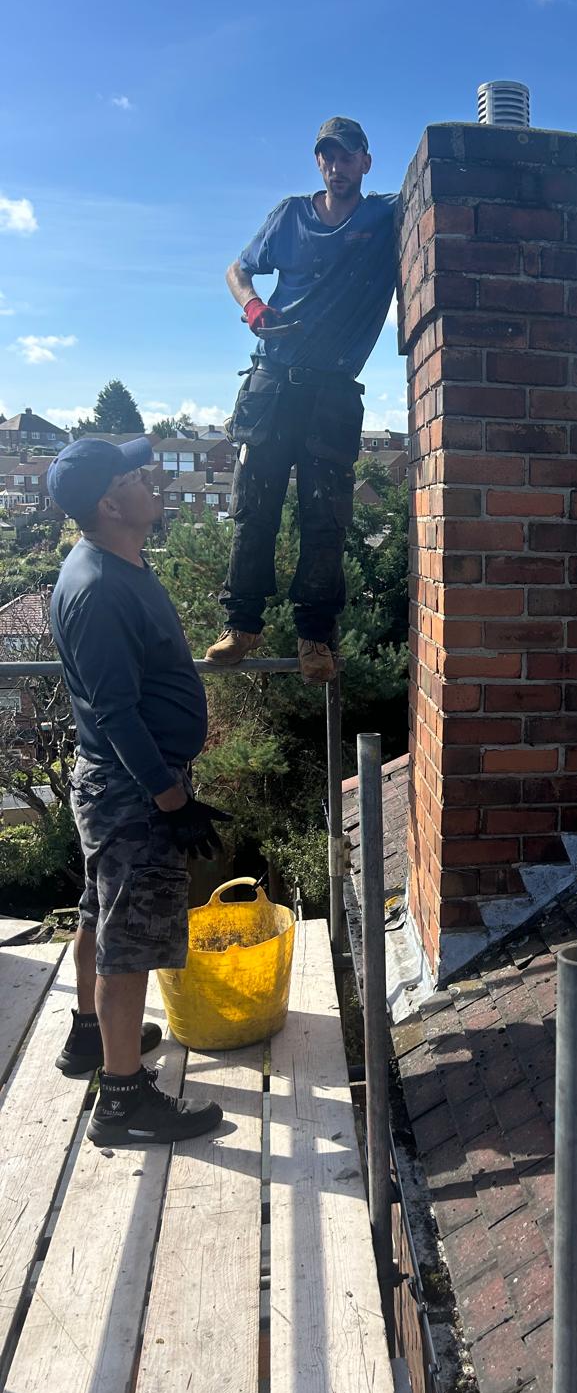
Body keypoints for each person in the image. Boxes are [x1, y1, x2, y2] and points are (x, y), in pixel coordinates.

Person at [48, 437, 229, 1145]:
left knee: (101, 913)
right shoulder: (97, 588)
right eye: (134, 474)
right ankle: (122, 1100)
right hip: (133, 792)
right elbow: (116, 713)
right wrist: (170, 799)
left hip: (123, 786)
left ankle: (90, 1037)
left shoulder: (114, 564)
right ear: (110, 504)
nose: (150, 478)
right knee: (128, 945)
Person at [206, 116, 400, 685]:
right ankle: (241, 626)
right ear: (319, 162)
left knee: (326, 517)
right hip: (271, 384)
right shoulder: (290, 216)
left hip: (332, 393)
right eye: (328, 157)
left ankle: (315, 636)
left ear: (366, 162)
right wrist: (253, 307)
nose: (337, 167)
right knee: (253, 508)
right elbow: (237, 269)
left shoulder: (384, 217)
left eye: (348, 156)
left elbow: (433, 194)